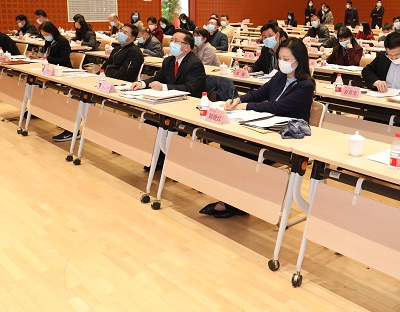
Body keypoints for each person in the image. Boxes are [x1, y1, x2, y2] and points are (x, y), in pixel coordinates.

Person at [202, 38, 316, 218]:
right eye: (280, 58)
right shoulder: (279, 76)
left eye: (286, 59)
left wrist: (245, 107)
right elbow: (259, 94)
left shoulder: (306, 85)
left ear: (298, 60)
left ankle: (236, 202)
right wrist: (238, 100)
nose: (282, 62)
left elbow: (277, 107)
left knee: (242, 151)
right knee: (230, 145)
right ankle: (234, 199)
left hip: (286, 137)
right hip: (266, 128)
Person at [130, 29, 206, 98]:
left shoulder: (195, 64)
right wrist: (142, 83)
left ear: (187, 47)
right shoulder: (168, 61)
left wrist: (163, 87)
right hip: (171, 98)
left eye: (176, 41)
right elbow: (157, 78)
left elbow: (189, 88)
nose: (172, 43)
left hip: (189, 100)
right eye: (171, 40)